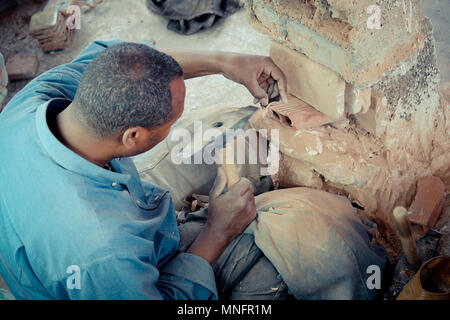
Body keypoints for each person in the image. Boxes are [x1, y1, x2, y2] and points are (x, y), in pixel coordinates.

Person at [0, 40, 289, 299]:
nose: (174, 126)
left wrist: (225, 63)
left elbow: (136, 61)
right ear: (133, 136)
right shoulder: (104, 249)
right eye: (170, 123)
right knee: (275, 267)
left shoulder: (31, 102)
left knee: (223, 139)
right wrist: (218, 231)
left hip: (67, 231)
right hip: (105, 280)